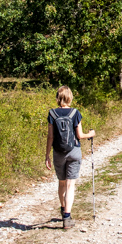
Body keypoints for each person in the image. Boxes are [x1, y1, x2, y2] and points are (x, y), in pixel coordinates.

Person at [45, 86, 95, 229]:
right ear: (70, 97)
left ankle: (63, 209)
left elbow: (50, 137)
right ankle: (67, 217)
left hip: (58, 152)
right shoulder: (75, 113)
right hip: (73, 151)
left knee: (61, 183)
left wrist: (47, 155)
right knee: (70, 184)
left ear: (58, 97)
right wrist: (90, 134)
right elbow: (79, 135)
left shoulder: (52, 114)